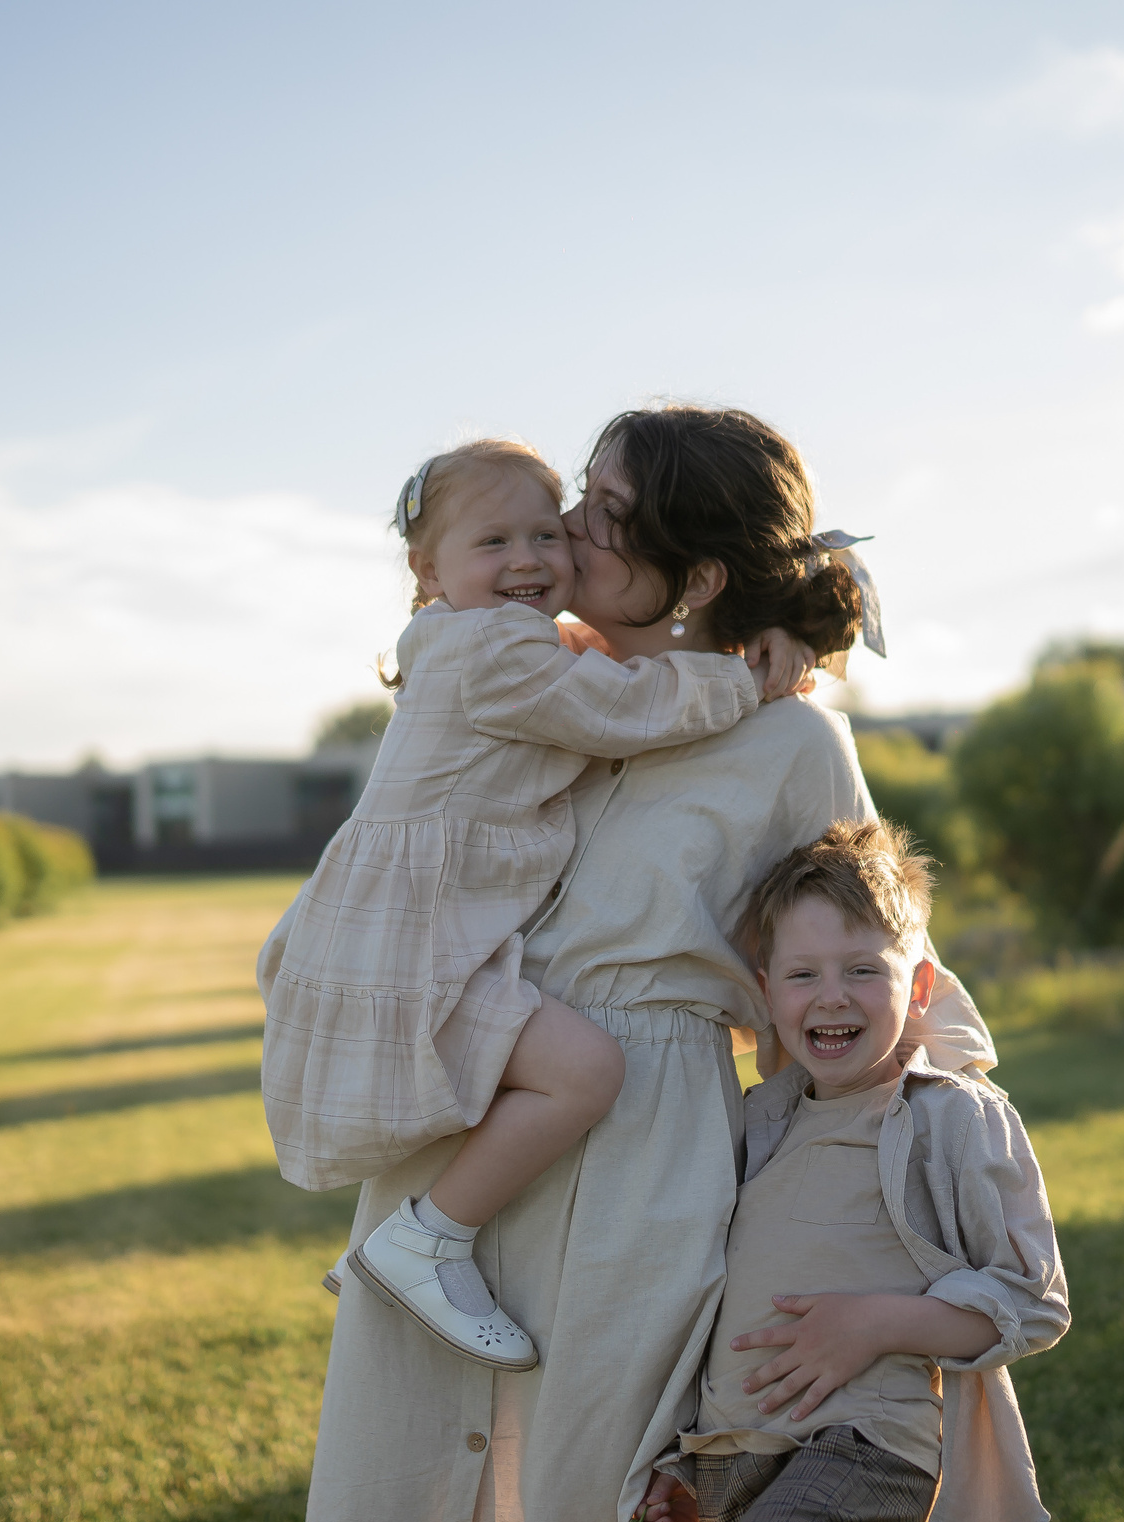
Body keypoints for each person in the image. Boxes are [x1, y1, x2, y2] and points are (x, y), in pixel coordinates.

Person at [280, 405, 996, 1522]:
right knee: (390, 1492)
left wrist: (944, 1187)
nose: (570, 531)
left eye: (609, 510)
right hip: (477, 1106)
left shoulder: (789, 733)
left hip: (642, 1143)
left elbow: (873, 973)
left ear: (702, 573)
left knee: (572, 1518)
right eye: (575, 500)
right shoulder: (544, 681)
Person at [257, 437, 770, 1370]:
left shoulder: (483, 640)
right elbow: (623, 710)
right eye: (493, 542)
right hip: (416, 936)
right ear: (429, 570)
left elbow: (588, 667)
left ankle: (427, 1232)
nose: (530, 558)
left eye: (545, 531)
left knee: (556, 1069)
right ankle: (429, 1237)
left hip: (422, 924)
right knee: (586, 1072)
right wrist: (744, 677)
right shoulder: (494, 650)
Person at [637, 819, 1068, 1522]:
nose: (831, 995)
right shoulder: (760, 1121)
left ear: (916, 987)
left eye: (862, 970)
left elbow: (1033, 1298)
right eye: (803, 974)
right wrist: (690, 1465)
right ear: (767, 991)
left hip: (865, 1445)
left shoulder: (951, 1115)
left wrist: (875, 1320)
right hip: (741, 1454)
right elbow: (730, 1298)